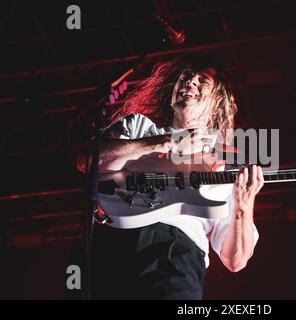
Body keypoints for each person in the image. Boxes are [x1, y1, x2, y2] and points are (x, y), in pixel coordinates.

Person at [87, 56, 264, 299]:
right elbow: (88, 161)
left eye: (202, 81)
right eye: (186, 76)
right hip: (113, 239)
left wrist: (243, 208)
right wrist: (169, 142)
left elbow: (235, 260)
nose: (190, 81)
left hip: (175, 252)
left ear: (216, 102)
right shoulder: (139, 127)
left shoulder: (226, 165)